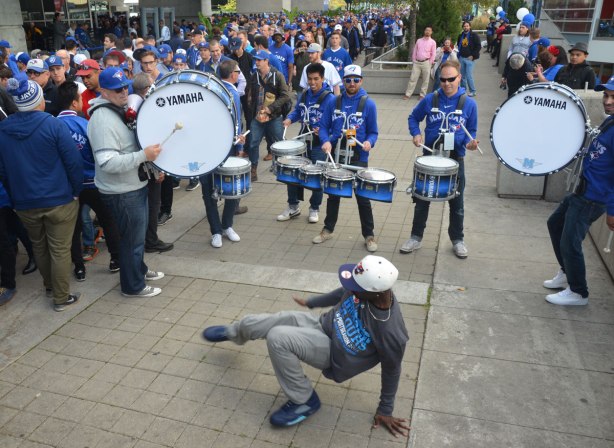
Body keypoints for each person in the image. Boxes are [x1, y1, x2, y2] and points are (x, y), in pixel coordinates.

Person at [202, 254, 410, 435]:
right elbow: (341, 292)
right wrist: (312, 302)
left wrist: (385, 410)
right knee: (267, 320)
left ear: (375, 293)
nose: (350, 287)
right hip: (323, 325)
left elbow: (392, 370)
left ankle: (304, 401)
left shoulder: (391, 331)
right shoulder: (362, 288)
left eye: (355, 286)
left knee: (278, 337)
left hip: (335, 354)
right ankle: (235, 333)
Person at [0, 77, 83, 312]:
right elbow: (73, 162)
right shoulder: (53, 125)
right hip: (59, 199)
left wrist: (16, 196)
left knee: (39, 247)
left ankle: (50, 286)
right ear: (39, 102)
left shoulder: (3, 130)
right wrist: (76, 191)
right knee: (58, 249)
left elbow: (3, 171)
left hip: (25, 202)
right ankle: (60, 296)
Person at [87, 67, 164, 298]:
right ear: (103, 91)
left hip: (130, 186)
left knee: (135, 238)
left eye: (124, 87)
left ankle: (138, 270)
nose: (123, 92)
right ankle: (133, 286)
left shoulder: (115, 110)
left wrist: (149, 164)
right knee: (131, 240)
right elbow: (107, 162)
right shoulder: (102, 119)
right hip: (122, 191)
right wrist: (144, 157)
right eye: (116, 89)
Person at [544, 76, 614, 306]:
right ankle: (567, 271)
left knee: (570, 242)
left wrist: (612, 210)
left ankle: (578, 292)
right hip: (581, 191)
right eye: (606, 95)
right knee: (555, 224)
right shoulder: (610, 122)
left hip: (593, 197)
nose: (608, 101)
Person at [402, 60, 479, 258]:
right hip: (430, 157)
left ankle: (457, 240)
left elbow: (471, 132)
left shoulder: (469, 104)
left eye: (451, 79)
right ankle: (415, 237)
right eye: (443, 80)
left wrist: (470, 144)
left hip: (455, 160)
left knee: (457, 203)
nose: (446, 84)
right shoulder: (430, 99)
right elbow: (413, 117)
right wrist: (416, 133)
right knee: (421, 200)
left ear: (459, 78)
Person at [57, 81, 121, 281]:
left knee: (73, 228)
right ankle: (116, 260)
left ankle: (79, 267)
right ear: (75, 103)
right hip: (93, 182)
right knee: (109, 220)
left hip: (68, 187)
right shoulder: (86, 124)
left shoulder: (52, 125)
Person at [313, 65, 379, 252]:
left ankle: (369, 235)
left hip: (358, 156)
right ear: (343, 81)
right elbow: (324, 126)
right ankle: (328, 229)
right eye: (348, 80)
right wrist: (325, 141)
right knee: (334, 194)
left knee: (362, 197)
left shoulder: (368, 104)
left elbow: (374, 132)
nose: (352, 83)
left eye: (356, 80)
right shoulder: (334, 102)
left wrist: (368, 142)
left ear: (361, 81)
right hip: (337, 155)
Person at [280, 63, 336, 224]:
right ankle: (293, 206)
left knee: (316, 176)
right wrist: (290, 119)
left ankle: (314, 208)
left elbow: (336, 122)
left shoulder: (330, 98)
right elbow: (299, 110)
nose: (312, 82)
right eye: (310, 79)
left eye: (316, 79)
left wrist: (326, 132)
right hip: (302, 138)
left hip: (319, 143)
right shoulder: (304, 94)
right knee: (292, 172)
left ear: (323, 78)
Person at [199, 60, 246, 248]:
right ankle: (221, 228)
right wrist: (240, 148)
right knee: (229, 189)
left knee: (212, 192)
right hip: (221, 150)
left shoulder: (210, 89)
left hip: (210, 149)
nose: (239, 74)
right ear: (233, 74)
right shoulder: (228, 92)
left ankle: (221, 229)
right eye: (238, 71)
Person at [246, 50, 291, 181]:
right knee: (253, 143)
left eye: (259, 60)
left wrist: (270, 109)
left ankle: (283, 167)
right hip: (258, 117)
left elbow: (286, 95)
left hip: (274, 117)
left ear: (267, 61)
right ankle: (253, 170)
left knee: (280, 142)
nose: (257, 62)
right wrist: (254, 109)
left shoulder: (278, 75)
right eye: (256, 60)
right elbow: (249, 95)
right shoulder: (254, 76)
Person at [403, 26, 436, 100]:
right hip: (417, 63)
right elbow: (415, 50)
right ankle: (408, 94)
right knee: (412, 79)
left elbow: (433, 53)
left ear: (431, 32)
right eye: (426, 30)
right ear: (424, 31)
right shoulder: (419, 40)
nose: (427, 32)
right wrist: (414, 59)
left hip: (426, 63)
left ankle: (422, 95)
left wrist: (430, 62)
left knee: (425, 80)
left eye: (429, 30)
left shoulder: (433, 42)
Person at [456, 21, 481, 97]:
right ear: (463, 27)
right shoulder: (461, 36)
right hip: (461, 58)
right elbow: (458, 45)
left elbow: (478, 46)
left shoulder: (474, 35)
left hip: (470, 59)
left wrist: (473, 55)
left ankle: (473, 91)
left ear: (470, 27)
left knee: (469, 75)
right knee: (462, 76)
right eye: (464, 26)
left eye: (467, 26)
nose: (466, 27)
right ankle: (463, 90)